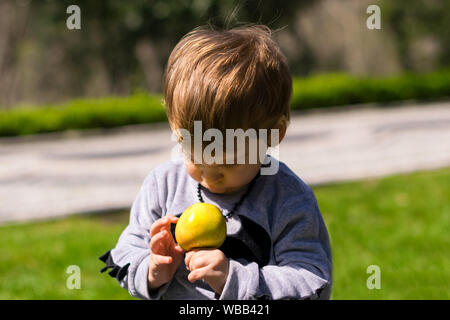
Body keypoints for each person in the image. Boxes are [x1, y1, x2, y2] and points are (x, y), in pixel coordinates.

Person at [99, 24, 332, 300]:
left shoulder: (288, 198)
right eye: (194, 157)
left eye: (229, 163)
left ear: (274, 134)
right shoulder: (163, 185)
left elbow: (312, 282)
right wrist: (151, 270)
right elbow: (127, 250)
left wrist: (233, 278)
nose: (209, 175)